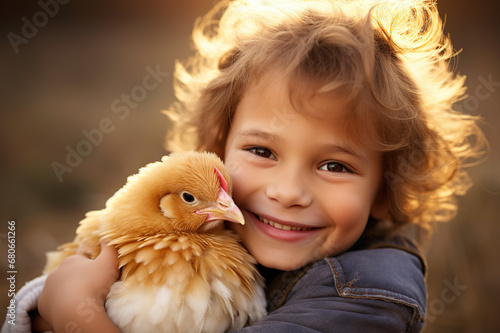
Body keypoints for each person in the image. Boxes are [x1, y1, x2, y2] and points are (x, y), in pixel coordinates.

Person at [3, 0, 487, 332]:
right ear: (218, 151)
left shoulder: (369, 296)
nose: (287, 191)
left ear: (385, 189)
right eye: (262, 152)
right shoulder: (219, 234)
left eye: (335, 165)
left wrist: (76, 314)